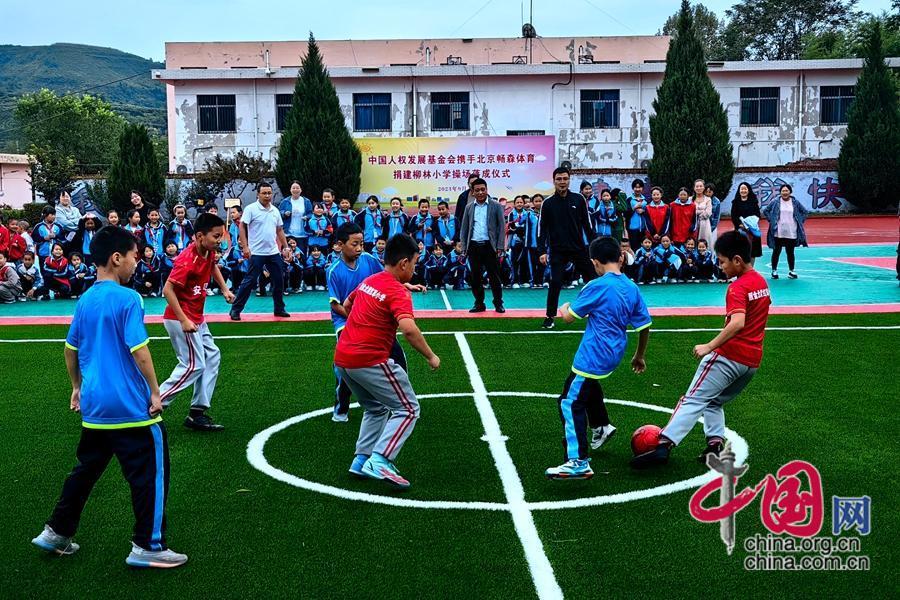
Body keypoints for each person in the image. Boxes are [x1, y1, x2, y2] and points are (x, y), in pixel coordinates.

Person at [32, 225, 187, 568]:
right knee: (149, 473)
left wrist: (76, 387)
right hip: (131, 408)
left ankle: (56, 532)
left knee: (85, 470)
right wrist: (155, 390)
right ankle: (149, 545)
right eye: (133, 256)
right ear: (117, 259)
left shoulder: (85, 299)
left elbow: (70, 349)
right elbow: (139, 350)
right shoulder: (129, 298)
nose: (136, 262)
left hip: (96, 407)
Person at [631, 231, 771, 469]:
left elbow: (738, 323)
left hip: (728, 357)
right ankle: (714, 445)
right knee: (714, 402)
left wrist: (709, 346)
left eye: (723, 261)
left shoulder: (738, 288)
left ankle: (663, 445)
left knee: (692, 400)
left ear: (737, 260)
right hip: (751, 362)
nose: (720, 266)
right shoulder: (761, 283)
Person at [335, 233, 440, 489]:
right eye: (414, 263)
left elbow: (348, 304)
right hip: (369, 359)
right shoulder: (397, 292)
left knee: (376, 408)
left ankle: (361, 459)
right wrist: (431, 356)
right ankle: (380, 459)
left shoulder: (371, 280)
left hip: (343, 358)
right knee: (409, 408)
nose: (414, 269)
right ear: (403, 263)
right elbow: (409, 330)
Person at [545, 237, 651, 480]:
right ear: (621, 258)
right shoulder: (631, 286)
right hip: (614, 352)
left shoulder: (597, 286)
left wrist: (564, 306)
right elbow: (644, 325)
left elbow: (570, 317)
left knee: (569, 402)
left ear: (594, 262)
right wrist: (639, 355)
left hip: (594, 354)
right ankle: (601, 425)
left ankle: (577, 460)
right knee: (588, 386)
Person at [326, 223, 423, 422]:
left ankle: (400, 399)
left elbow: (386, 277)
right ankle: (340, 409)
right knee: (345, 368)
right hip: (346, 321)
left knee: (397, 355)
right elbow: (336, 304)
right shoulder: (333, 271)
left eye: (361, 243)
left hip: (370, 319)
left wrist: (406, 285)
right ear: (340, 245)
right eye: (354, 244)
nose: (359, 248)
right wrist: (355, 317)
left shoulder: (369, 260)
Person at [158, 213, 234, 432]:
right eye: (216, 236)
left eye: (221, 236)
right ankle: (153, 406)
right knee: (193, 365)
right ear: (200, 236)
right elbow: (167, 290)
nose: (219, 240)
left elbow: (212, 267)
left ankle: (197, 412)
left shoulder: (207, 252)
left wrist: (225, 289)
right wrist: (183, 320)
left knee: (212, 356)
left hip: (197, 319)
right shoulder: (186, 259)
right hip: (181, 319)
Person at [537, 166, 596, 329]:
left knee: (592, 280)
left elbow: (588, 225)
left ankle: (596, 312)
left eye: (565, 179)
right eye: (559, 179)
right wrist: (542, 251)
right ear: (554, 181)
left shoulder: (578, 199)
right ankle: (550, 316)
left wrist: (595, 247)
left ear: (569, 180)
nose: (562, 182)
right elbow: (541, 229)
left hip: (578, 248)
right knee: (555, 281)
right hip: (557, 250)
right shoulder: (547, 203)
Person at [229, 183, 291, 320]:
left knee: (279, 280)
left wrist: (285, 247)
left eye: (269, 193)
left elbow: (279, 230)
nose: (267, 196)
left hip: (273, 252)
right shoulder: (251, 209)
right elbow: (242, 227)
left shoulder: (275, 210)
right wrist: (245, 247)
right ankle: (235, 310)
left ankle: (279, 309)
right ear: (258, 194)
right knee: (249, 281)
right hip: (256, 252)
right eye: (264, 193)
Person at [458, 178, 506, 313]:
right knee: (476, 277)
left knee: (494, 277)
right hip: (473, 246)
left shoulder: (495, 206)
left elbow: (502, 227)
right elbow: (464, 229)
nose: (480, 192)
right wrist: (463, 249)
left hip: (490, 246)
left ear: (487, 190)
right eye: (477, 190)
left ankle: (498, 303)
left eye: (482, 189)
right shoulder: (469, 207)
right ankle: (479, 304)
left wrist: (500, 247)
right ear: (472, 192)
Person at [764, 184, 808, 280]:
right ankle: (774, 271)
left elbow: (804, 211)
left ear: (790, 192)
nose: (785, 192)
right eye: (783, 191)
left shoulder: (795, 202)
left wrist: (800, 220)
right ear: (780, 192)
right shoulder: (775, 201)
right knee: (776, 251)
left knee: (790, 252)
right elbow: (766, 211)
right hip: (778, 231)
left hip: (791, 231)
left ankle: (791, 271)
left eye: (786, 190)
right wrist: (771, 220)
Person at [730, 182, 762, 266]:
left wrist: (751, 223)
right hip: (740, 230)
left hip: (752, 230)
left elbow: (757, 214)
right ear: (739, 190)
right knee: (740, 251)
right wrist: (740, 225)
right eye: (741, 189)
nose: (743, 191)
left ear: (748, 190)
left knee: (752, 252)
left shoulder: (753, 201)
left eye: (745, 189)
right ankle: (740, 272)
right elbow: (734, 216)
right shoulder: (735, 202)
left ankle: (750, 270)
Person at [279, 180, 313, 252]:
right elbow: (279, 213)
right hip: (288, 233)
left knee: (301, 255)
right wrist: (284, 214)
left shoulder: (306, 201)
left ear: (301, 190)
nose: (295, 190)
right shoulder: (285, 201)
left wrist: (307, 217)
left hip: (302, 234)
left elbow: (311, 214)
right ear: (290, 190)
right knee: (288, 255)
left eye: (297, 188)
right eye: (293, 188)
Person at [627, 179, 649, 251]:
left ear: (642, 188)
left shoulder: (646, 200)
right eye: (636, 187)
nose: (637, 189)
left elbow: (649, 213)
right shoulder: (629, 199)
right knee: (634, 248)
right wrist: (634, 208)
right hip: (632, 228)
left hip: (643, 229)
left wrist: (643, 211)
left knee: (643, 249)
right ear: (633, 188)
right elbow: (626, 213)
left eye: (639, 187)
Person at [693, 179, 714, 245]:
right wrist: (701, 211)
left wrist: (697, 213)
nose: (699, 188)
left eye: (700, 186)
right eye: (697, 186)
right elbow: (689, 212)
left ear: (704, 187)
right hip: (693, 224)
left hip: (704, 224)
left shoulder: (708, 199)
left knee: (705, 242)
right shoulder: (690, 199)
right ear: (694, 188)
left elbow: (708, 213)